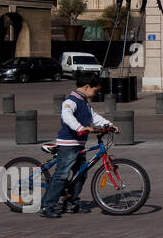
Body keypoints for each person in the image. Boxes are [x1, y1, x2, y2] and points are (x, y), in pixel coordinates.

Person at [39, 73, 116, 218]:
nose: (95, 94)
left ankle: (70, 203)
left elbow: (94, 117)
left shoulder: (85, 103)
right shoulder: (71, 101)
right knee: (61, 175)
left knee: (81, 174)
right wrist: (80, 128)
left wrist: (109, 125)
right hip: (68, 144)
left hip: (79, 144)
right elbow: (67, 116)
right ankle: (46, 206)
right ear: (87, 87)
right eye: (95, 91)